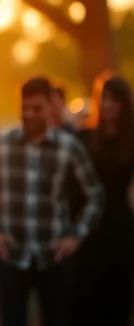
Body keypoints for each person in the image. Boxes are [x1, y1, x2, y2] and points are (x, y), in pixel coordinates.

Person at [0, 77, 105, 326]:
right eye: (24, 108)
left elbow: (95, 195)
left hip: (53, 253)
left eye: (36, 108)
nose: (29, 114)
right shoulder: (0, 144)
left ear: (51, 106)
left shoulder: (68, 147)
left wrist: (75, 236)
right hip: (12, 254)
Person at [70, 74, 134, 326]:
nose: (108, 105)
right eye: (104, 99)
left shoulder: (130, 139)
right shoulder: (84, 138)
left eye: (114, 100)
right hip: (87, 227)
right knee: (84, 299)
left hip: (119, 226)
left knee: (117, 299)